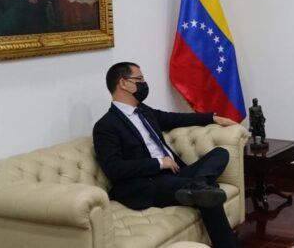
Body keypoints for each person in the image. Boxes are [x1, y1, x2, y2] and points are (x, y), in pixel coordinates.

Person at [93, 62, 240, 248]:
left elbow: (175, 118)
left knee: (220, 153)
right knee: (208, 195)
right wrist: (158, 163)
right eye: (139, 79)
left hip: (176, 174)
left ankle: (199, 183)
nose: (144, 83)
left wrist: (212, 117)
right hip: (148, 182)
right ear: (123, 83)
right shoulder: (106, 126)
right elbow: (114, 168)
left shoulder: (144, 111)